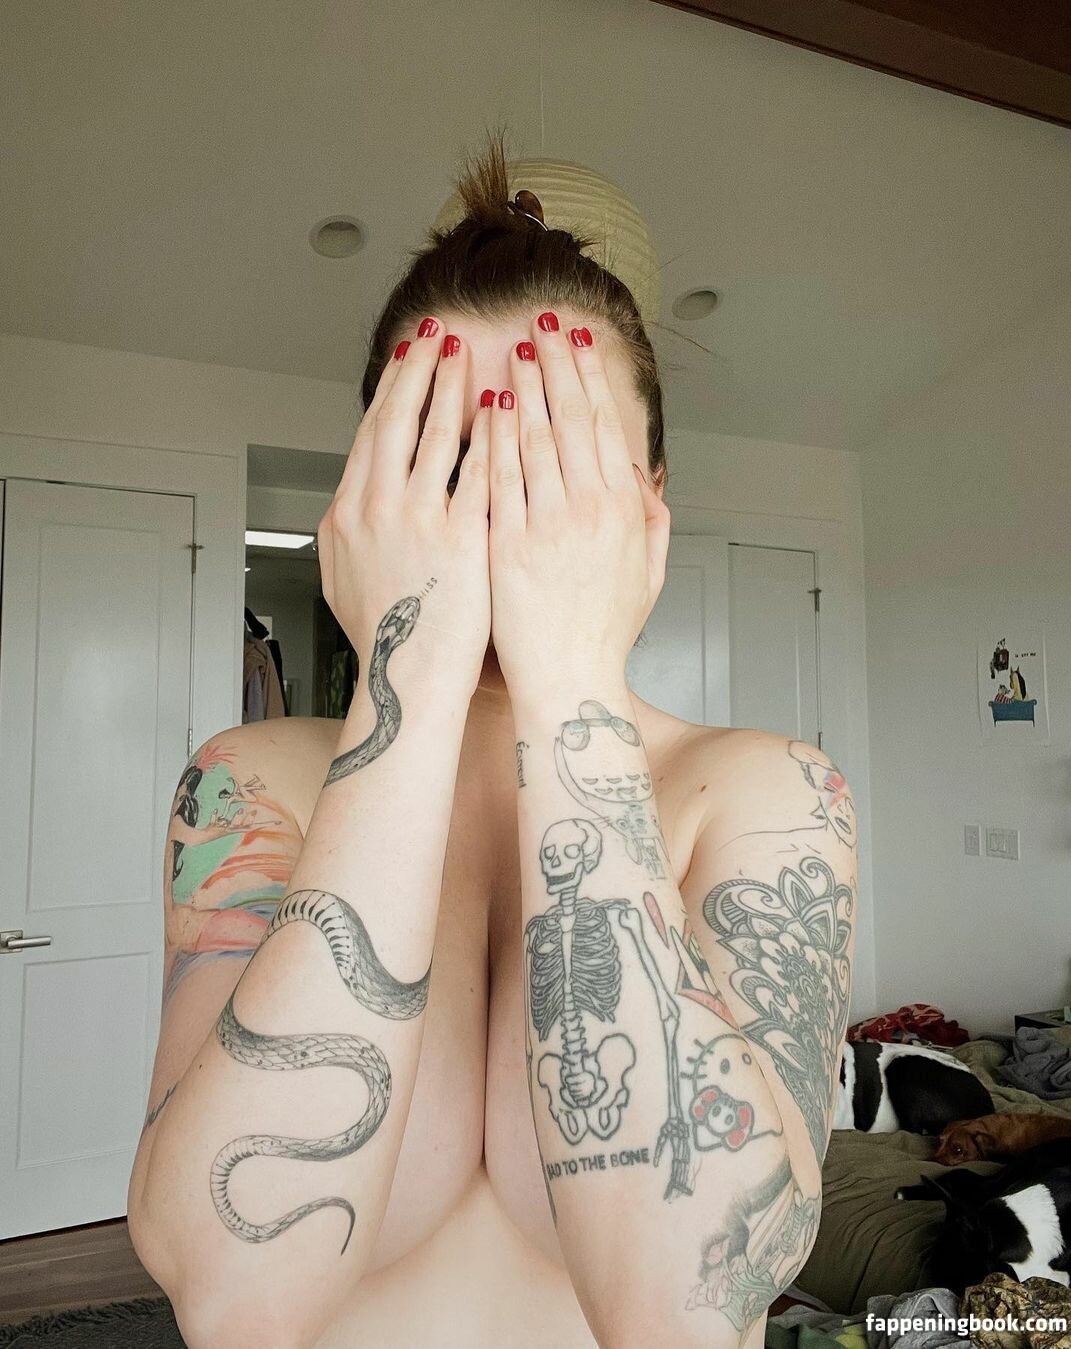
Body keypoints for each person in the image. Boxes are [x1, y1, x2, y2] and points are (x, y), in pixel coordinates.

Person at [127, 134, 858, 1349]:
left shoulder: (767, 793)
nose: (497, 514)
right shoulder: (250, 781)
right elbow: (232, 1296)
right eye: (445, 460)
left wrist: (569, 674)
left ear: (650, 507)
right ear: (367, 495)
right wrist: (408, 668)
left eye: (559, 464)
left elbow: (686, 1306)